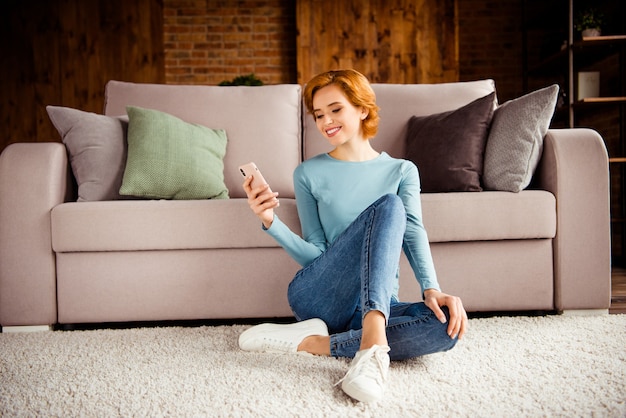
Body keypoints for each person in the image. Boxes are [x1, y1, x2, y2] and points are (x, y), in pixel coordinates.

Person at [238, 69, 468, 403]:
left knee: (446, 326)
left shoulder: (401, 170)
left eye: (335, 109)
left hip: (376, 302)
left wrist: (432, 288)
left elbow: (414, 231)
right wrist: (270, 220)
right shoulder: (308, 173)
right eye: (319, 114)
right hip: (320, 296)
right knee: (389, 206)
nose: (325, 121)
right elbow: (316, 253)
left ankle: (314, 343)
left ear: (362, 108)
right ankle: (373, 346)